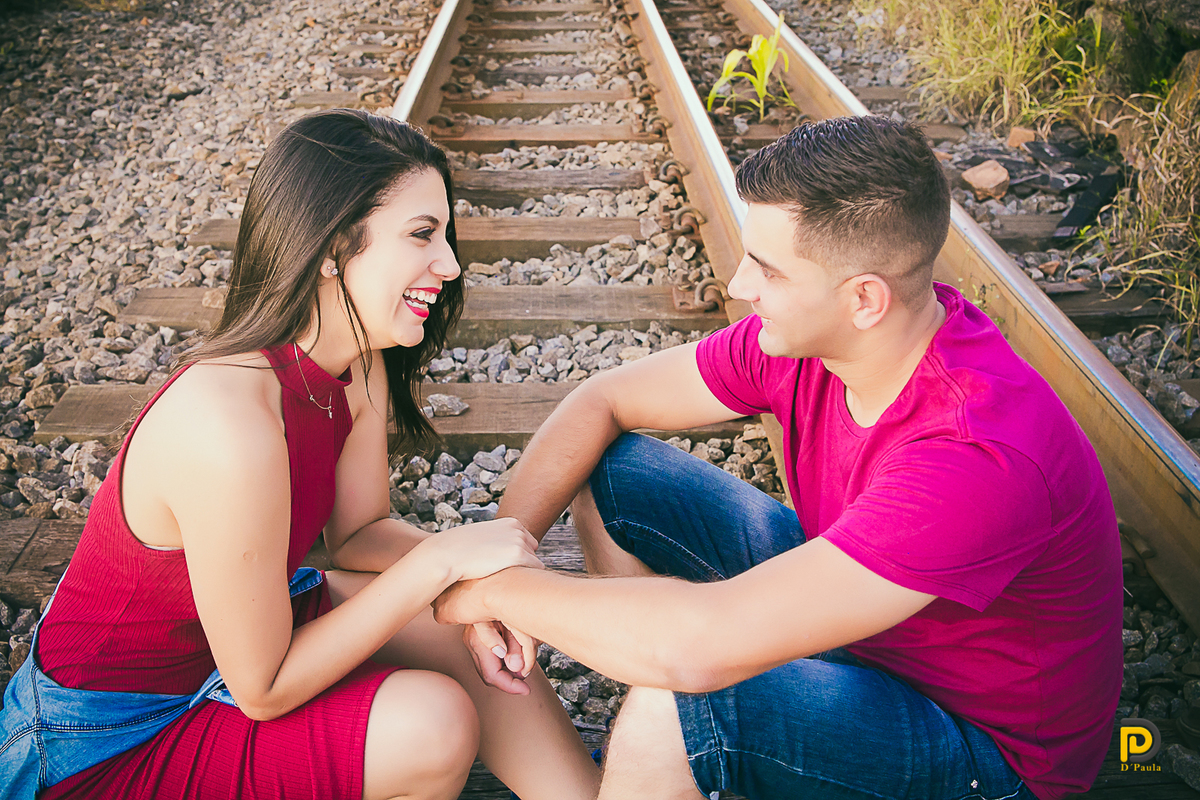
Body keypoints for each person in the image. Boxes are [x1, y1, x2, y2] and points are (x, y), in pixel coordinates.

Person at [434, 116, 1124, 800]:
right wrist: (504, 552)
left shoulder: (972, 454)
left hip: (983, 752)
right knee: (615, 472)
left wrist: (486, 592)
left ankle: (668, 752)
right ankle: (660, 764)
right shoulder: (824, 343)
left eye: (766, 269)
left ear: (864, 299)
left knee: (682, 706)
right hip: (874, 636)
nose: (740, 285)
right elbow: (602, 400)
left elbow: (697, 651)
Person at [0, 108, 600, 800]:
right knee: (431, 724)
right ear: (332, 247)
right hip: (99, 737)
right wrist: (441, 560)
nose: (451, 264)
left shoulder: (357, 364)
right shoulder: (229, 427)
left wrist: (473, 580)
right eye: (421, 234)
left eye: (445, 234)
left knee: (452, 621)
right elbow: (264, 688)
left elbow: (359, 533)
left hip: (231, 648)